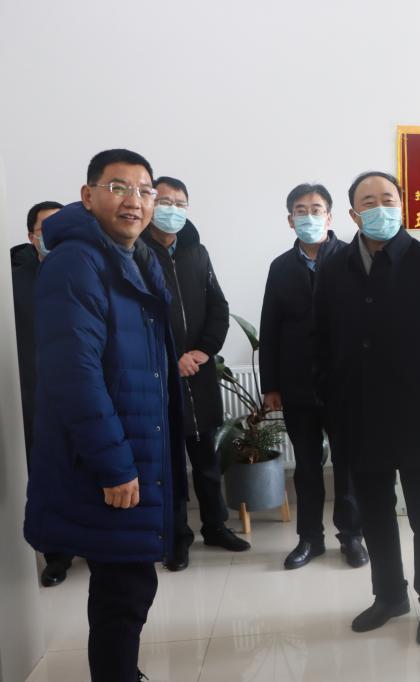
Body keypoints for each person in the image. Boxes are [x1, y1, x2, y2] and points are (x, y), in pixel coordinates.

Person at [24, 149, 187, 682]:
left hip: (135, 443)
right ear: (88, 195)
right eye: (119, 187)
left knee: (126, 586)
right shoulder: (77, 262)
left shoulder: (132, 257)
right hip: (112, 459)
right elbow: (74, 375)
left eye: (144, 191)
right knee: (124, 589)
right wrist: (114, 465)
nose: (134, 201)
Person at [313, 171, 420, 645]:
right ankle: (389, 595)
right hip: (358, 417)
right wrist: (333, 396)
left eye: (388, 199)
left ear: (401, 206)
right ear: (354, 214)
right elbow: (320, 339)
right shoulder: (333, 269)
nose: (379, 208)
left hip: (417, 415)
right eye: (368, 202)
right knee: (375, 514)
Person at [141, 176, 250, 570]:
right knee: (169, 468)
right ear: (150, 203)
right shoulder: (135, 253)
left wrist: (203, 352)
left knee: (206, 462)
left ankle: (215, 527)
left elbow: (218, 307)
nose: (172, 209)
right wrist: (173, 359)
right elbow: (135, 321)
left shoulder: (197, 252)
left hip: (200, 375)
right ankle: (177, 538)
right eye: (165, 201)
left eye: (180, 203)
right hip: (160, 379)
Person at [260, 183, 367, 570]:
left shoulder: (353, 259)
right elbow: (270, 328)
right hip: (297, 385)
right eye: (301, 211)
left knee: (348, 466)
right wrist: (271, 385)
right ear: (290, 220)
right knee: (306, 468)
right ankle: (310, 539)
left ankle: (351, 536)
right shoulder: (280, 267)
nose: (309, 216)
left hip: (344, 385)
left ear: (330, 216)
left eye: (316, 209)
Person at [13, 200, 76, 587]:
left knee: (91, 471)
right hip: (37, 394)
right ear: (31, 236)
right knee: (50, 477)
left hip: (85, 392)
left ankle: (97, 545)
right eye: (45, 228)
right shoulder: (13, 281)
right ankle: (57, 556)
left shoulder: (87, 269)